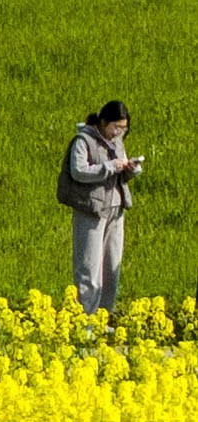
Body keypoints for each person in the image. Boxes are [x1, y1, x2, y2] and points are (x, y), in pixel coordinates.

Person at [65, 100, 145, 314]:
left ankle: (104, 314)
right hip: (91, 209)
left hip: (116, 208)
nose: (119, 132)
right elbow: (78, 170)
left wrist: (131, 169)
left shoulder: (117, 142)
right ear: (103, 122)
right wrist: (108, 167)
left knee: (111, 266)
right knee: (89, 266)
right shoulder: (84, 140)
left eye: (124, 128)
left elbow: (122, 169)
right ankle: (87, 318)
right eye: (116, 127)